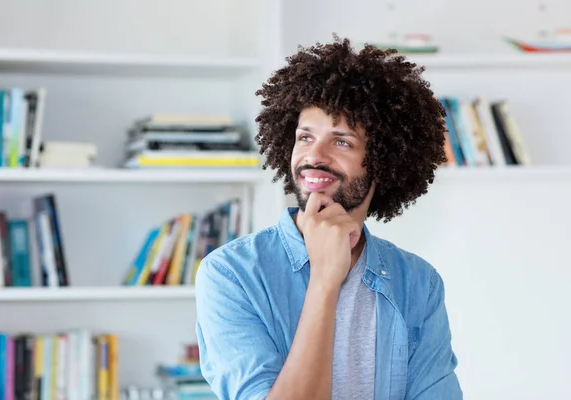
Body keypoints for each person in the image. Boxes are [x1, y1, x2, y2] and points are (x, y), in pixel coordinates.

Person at [194, 35, 462, 400]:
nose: (313, 156)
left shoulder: (418, 283)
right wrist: (324, 278)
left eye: (342, 141)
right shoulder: (231, 274)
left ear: (384, 161)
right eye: (305, 137)